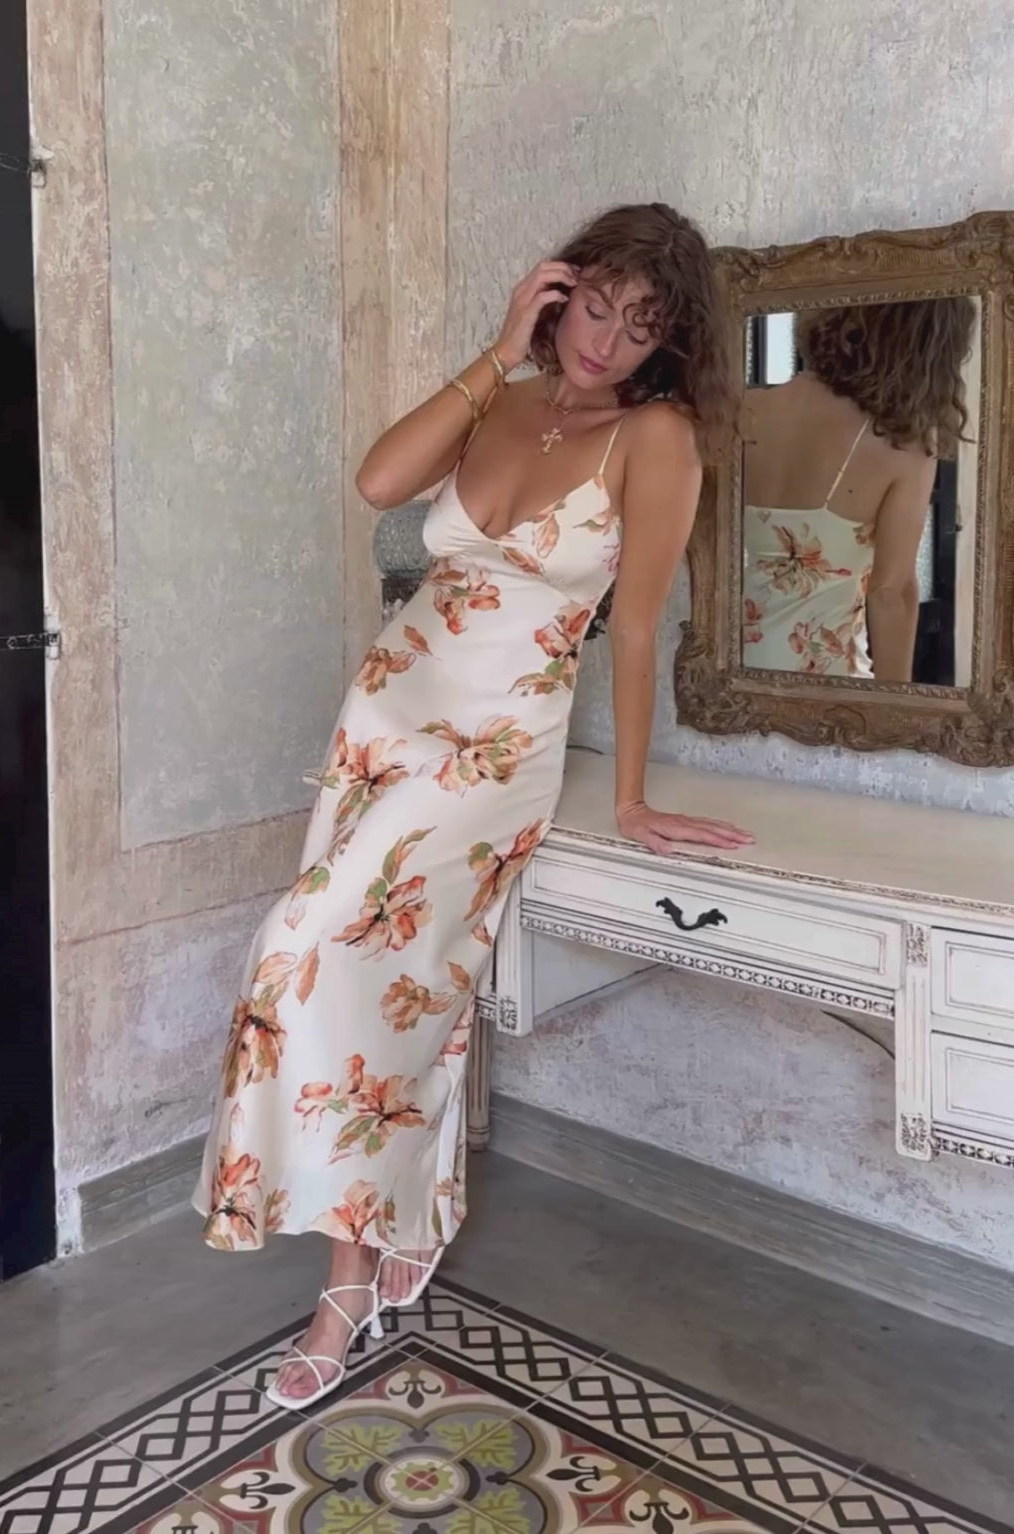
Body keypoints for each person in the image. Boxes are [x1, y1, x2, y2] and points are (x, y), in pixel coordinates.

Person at [193, 202, 753, 1408]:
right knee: (411, 984)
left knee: (302, 953)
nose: (604, 340)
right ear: (558, 289)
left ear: (669, 343)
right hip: (385, 709)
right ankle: (409, 1211)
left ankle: (346, 1283)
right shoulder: (507, 394)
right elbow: (379, 481)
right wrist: (500, 350)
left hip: (492, 747)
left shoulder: (654, 436)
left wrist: (634, 797)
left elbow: (636, 626)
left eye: (639, 326)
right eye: (593, 305)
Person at [742, 298, 975, 680]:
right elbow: (891, 593)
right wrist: (895, 705)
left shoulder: (742, 409)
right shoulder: (903, 446)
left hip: (728, 666)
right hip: (824, 677)